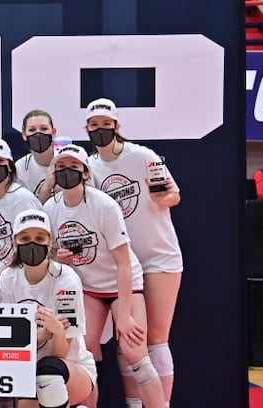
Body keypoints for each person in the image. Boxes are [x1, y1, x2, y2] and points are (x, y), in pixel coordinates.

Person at [43, 144, 165, 408]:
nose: (67, 172)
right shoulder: (50, 207)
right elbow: (48, 253)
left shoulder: (104, 205)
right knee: (83, 354)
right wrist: (57, 255)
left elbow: (123, 262)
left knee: (136, 354)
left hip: (122, 282)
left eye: (73, 167)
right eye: (61, 167)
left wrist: (123, 314)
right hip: (88, 287)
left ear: (86, 173)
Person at [84, 98, 180, 408]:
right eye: (94, 125)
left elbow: (175, 194)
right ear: (87, 129)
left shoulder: (142, 155)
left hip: (159, 256)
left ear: (116, 126)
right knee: (129, 344)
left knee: (154, 339)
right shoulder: (91, 166)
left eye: (105, 124)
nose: (100, 129)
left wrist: (161, 198)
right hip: (124, 266)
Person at [0, 209, 96, 408]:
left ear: (49, 243)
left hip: (72, 368)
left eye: (39, 238)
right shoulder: (8, 279)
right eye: (25, 238)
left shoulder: (66, 279)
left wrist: (58, 333)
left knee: (48, 371)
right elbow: (10, 345)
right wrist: (42, 335)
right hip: (29, 374)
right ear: (15, 242)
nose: (32, 243)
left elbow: (60, 354)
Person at [0, 138, 41, 276]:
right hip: (9, 277)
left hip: (29, 274)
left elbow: (32, 246)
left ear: (10, 166)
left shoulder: (22, 198)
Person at [15, 109, 58, 203]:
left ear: (53, 132)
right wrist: (47, 187)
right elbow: (28, 209)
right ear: (24, 135)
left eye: (44, 129)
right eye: (32, 130)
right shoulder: (20, 168)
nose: (38, 133)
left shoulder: (68, 158)